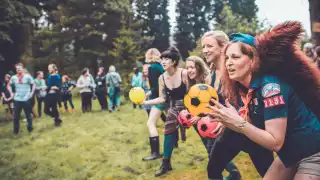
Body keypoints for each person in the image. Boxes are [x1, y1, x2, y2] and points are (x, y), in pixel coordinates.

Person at [208, 21, 320, 180]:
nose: (228, 63)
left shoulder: (270, 88)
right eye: (226, 58)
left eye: (235, 57)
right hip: (290, 155)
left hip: (314, 152)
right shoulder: (245, 90)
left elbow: (275, 142)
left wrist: (239, 123)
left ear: (253, 60)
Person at [201, 31, 273, 180]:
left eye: (209, 46)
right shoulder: (212, 75)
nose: (205, 50)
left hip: (253, 129)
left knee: (268, 173)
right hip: (230, 131)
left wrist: (235, 116)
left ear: (223, 47)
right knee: (213, 170)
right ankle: (234, 174)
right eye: (203, 47)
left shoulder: (240, 72)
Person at [142, 46, 188, 176]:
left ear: (174, 61)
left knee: (206, 135)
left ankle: (231, 169)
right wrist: (146, 102)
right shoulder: (162, 78)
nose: (163, 61)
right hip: (174, 107)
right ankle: (166, 164)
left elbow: (193, 93)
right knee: (168, 130)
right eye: (162, 59)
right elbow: (162, 98)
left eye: (166, 59)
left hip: (189, 106)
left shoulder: (184, 73)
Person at [141, 48, 166, 161]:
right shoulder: (161, 66)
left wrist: (149, 100)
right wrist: (148, 92)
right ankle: (174, 142)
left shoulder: (151, 68)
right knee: (170, 122)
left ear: (148, 55)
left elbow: (156, 88)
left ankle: (155, 153)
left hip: (160, 99)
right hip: (167, 97)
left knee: (150, 123)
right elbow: (158, 85)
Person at [7, 63, 35, 134]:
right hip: (17, 99)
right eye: (17, 68)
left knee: (28, 115)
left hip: (26, 99)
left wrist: (31, 93)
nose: (18, 69)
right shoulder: (13, 77)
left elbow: (33, 84)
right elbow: (8, 85)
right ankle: (16, 131)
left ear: (22, 68)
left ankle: (30, 128)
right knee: (16, 117)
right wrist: (11, 93)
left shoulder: (27, 76)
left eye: (19, 68)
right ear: (16, 69)